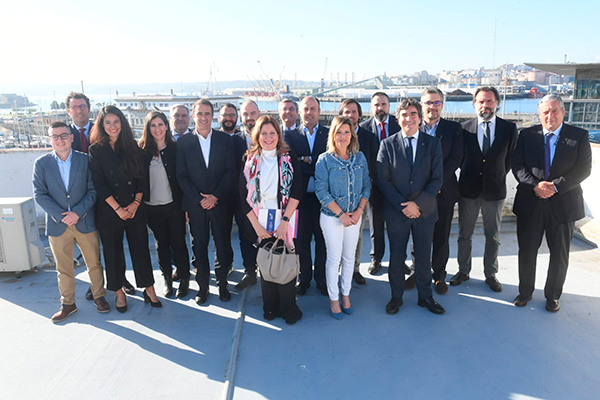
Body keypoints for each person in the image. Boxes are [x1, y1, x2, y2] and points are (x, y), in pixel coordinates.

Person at [512, 94, 592, 312]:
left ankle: (553, 296)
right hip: (531, 202)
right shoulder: (527, 135)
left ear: (563, 112)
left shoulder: (579, 136)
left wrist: (555, 187)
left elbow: (584, 169)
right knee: (527, 251)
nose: (550, 115)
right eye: (545, 111)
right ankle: (525, 292)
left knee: (559, 254)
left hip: (563, 205)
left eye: (555, 110)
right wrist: (536, 186)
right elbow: (517, 166)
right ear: (539, 113)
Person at [33, 121, 110, 322]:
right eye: (55, 136)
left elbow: (93, 190)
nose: (60, 139)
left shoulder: (85, 160)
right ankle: (68, 303)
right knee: (63, 267)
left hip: (84, 221)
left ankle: (99, 296)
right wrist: (62, 215)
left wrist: (77, 213)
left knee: (94, 262)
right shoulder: (41, 164)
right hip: (58, 225)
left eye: (64, 135)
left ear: (71, 137)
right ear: (50, 140)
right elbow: (40, 195)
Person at [89, 106, 161, 312]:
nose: (113, 126)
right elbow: (99, 184)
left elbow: (142, 180)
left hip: (135, 208)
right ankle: (118, 291)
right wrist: (118, 209)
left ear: (123, 123)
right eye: (108, 122)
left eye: (116, 121)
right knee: (113, 253)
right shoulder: (96, 150)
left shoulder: (134, 148)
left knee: (141, 250)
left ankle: (149, 288)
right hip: (110, 211)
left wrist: (135, 204)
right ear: (102, 125)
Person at [377, 98, 444, 315]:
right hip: (398, 213)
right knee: (396, 258)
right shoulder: (387, 144)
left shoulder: (432, 143)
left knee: (423, 257)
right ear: (398, 119)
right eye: (404, 115)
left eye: (413, 114)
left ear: (419, 116)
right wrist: (403, 206)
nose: (409, 119)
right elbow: (383, 179)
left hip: (424, 212)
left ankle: (426, 297)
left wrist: (418, 204)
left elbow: (437, 179)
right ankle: (396, 297)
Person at [451, 86, 517, 293]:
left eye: (489, 101)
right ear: (474, 104)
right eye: (481, 101)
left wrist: (494, 176)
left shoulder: (508, 129)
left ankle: (491, 274)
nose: (485, 105)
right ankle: (463, 271)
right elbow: (460, 159)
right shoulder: (463, 129)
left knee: (493, 236)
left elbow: (509, 160)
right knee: (464, 234)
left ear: (496, 103)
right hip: (468, 192)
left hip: (494, 192)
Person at [240, 115, 303, 325]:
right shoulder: (248, 159)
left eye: (272, 133)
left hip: (284, 217)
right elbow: (241, 196)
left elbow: (298, 189)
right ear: (257, 135)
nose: (268, 137)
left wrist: (285, 220)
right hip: (259, 220)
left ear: (279, 135)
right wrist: (257, 226)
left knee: (285, 260)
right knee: (266, 263)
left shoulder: (288, 156)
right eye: (264, 133)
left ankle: (288, 307)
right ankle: (270, 307)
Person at [176, 99, 236, 305]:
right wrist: (200, 199)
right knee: (199, 246)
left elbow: (231, 172)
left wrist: (215, 196)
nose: (203, 117)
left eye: (207, 113)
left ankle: (222, 284)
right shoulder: (183, 143)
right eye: (199, 113)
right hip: (196, 205)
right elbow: (181, 176)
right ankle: (202, 286)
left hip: (220, 203)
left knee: (222, 244)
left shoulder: (225, 140)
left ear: (213, 116)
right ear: (194, 115)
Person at [315, 116, 370, 319]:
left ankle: (346, 294)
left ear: (352, 135)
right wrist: (341, 214)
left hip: (354, 217)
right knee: (333, 258)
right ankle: (334, 299)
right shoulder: (325, 160)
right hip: (332, 218)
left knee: (349, 258)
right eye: (339, 132)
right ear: (333, 135)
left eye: (347, 132)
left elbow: (366, 186)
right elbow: (321, 191)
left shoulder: (360, 158)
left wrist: (358, 211)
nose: (343, 136)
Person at [139, 111, 190, 299]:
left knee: (179, 243)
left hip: (174, 206)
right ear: (148, 128)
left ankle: (184, 278)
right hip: (152, 208)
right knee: (161, 245)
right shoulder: (141, 151)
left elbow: (184, 180)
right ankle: (167, 279)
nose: (157, 129)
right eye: (153, 125)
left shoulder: (176, 149)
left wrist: (186, 208)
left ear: (167, 126)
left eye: (160, 125)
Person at [420, 87, 463, 295]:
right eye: (428, 102)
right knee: (418, 235)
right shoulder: (412, 127)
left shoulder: (454, 129)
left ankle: (439, 276)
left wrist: (435, 184)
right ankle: (419, 273)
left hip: (444, 192)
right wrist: (425, 187)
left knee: (441, 235)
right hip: (418, 193)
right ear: (422, 105)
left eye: (436, 103)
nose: (432, 106)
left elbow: (456, 159)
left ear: (442, 105)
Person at [285, 96, 329, 297]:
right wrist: (312, 161)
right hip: (300, 199)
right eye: (306, 109)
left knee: (322, 240)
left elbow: (329, 161)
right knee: (301, 241)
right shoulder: (291, 135)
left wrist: (306, 161)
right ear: (300, 112)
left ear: (319, 111)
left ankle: (321, 279)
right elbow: (291, 162)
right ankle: (303, 279)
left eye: (313, 108)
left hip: (324, 198)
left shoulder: (329, 134)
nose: (309, 112)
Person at [359, 92, 400, 275]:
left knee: (397, 224)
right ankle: (376, 258)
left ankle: (399, 259)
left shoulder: (400, 125)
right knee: (375, 223)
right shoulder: (363, 128)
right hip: (373, 183)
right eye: (376, 105)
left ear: (389, 106)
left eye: (383, 104)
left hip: (396, 183)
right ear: (371, 107)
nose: (380, 108)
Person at [218, 103, 259, 290]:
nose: (249, 117)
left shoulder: (267, 136)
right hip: (229, 196)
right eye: (246, 114)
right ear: (241, 117)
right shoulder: (234, 139)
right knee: (225, 233)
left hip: (255, 197)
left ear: (258, 114)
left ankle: (253, 270)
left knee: (248, 235)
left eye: (253, 113)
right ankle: (227, 268)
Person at [339, 99, 378, 285]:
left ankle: (354, 269)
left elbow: (373, 167)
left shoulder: (370, 138)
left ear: (359, 115)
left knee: (358, 235)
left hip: (359, 197)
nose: (350, 115)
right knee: (336, 235)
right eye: (346, 112)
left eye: (354, 112)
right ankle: (337, 270)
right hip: (337, 198)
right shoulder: (334, 137)